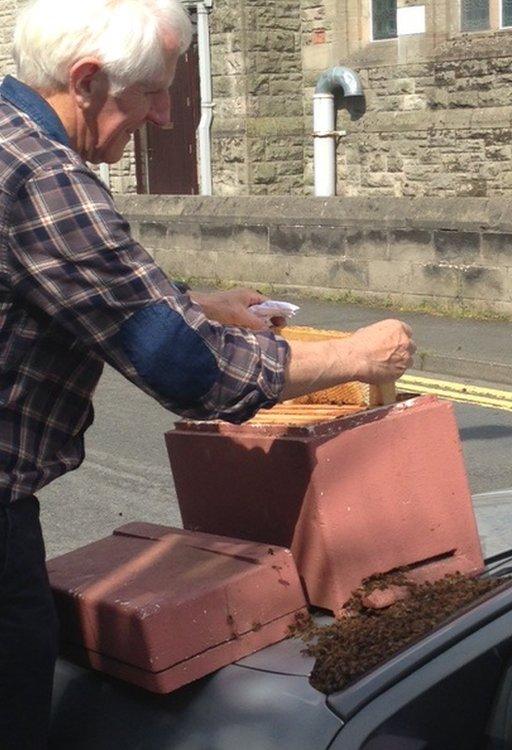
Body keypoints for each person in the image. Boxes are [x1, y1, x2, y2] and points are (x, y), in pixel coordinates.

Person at [0, 0, 416, 746]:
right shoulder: (41, 175)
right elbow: (195, 374)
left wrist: (192, 303)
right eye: (152, 90)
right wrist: (358, 356)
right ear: (87, 80)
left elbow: (54, 293)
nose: (164, 115)